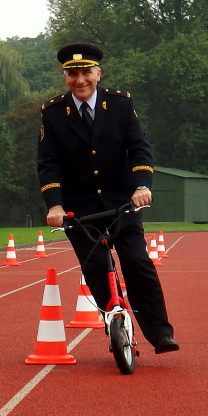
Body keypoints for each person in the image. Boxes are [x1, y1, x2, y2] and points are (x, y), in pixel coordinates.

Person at [37, 43, 179, 354]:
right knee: (97, 269)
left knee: (138, 263)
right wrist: (55, 205)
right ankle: (113, 318)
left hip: (121, 202)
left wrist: (142, 185)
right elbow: (48, 164)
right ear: (65, 77)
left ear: (98, 74)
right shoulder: (52, 113)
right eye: (72, 74)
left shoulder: (120, 105)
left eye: (86, 72)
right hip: (78, 209)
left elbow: (139, 148)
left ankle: (160, 333)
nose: (80, 80)